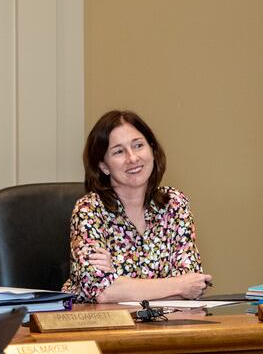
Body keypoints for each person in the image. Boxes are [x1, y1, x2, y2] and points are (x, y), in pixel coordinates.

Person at [61, 110, 212, 303]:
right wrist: (178, 285)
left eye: (138, 146)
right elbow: (102, 292)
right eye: (118, 151)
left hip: (168, 320)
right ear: (104, 166)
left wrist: (120, 282)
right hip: (99, 321)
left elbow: (192, 287)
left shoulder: (174, 203)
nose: (132, 158)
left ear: (152, 150)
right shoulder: (89, 210)